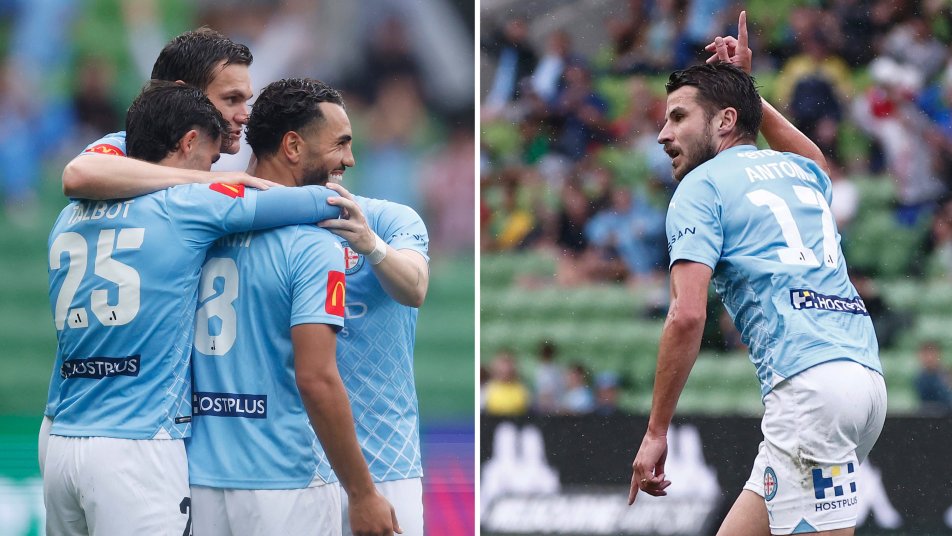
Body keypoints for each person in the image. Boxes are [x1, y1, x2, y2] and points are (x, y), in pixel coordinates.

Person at [43, 82, 344, 535]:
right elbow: (318, 200)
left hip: (62, 442)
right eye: (210, 157)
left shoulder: (69, 214)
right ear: (188, 142)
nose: (213, 169)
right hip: (138, 446)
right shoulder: (187, 205)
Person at [629, 12, 886, 536]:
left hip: (808, 391)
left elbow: (686, 316)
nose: (663, 134)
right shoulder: (800, 171)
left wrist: (656, 431)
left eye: (678, 117)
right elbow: (815, 159)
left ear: (724, 121)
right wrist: (747, 91)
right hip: (862, 381)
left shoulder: (700, 188)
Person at [186, 78, 398, 536]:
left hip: (196, 479)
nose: (349, 159)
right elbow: (316, 379)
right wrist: (362, 493)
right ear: (294, 146)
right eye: (340, 143)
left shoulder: (198, 227)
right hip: (283, 482)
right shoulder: (314, 245)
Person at [60, 27, 270, 200]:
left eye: (246, 101)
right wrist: (211, 180)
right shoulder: (127, 146)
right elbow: (76, 175)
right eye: (232, 99)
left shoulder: (241, 163)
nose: (245, 116)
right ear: (183, 93)